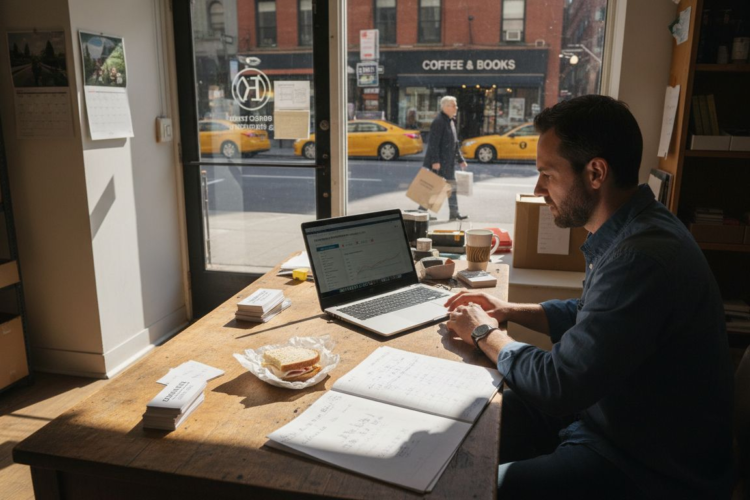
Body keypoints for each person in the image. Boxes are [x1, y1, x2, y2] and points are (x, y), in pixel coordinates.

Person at [445, 95, 734, 499]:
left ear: (596, 172)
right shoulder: (635, 226)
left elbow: (560, 384)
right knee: (461, 423)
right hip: (606, 416)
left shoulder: (640, 257)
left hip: (646, 463)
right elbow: (593, 315)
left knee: (465, 487)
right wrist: (512, 310)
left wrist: (484, 333)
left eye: (548, 174)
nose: (539, 189)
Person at [421, 96, 468, 221]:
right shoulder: (439, 121)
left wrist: (460, 159)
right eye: (453, 105)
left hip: (447, 162)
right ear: (446, 107)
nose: (456, 107)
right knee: (436, 187)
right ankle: (422, 212)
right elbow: (433, 144)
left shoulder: (450, 121)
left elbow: (454, 143)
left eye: (456, 105)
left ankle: (453, 212)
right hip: (440, 162)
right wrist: (435, 161)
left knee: (450, 187)